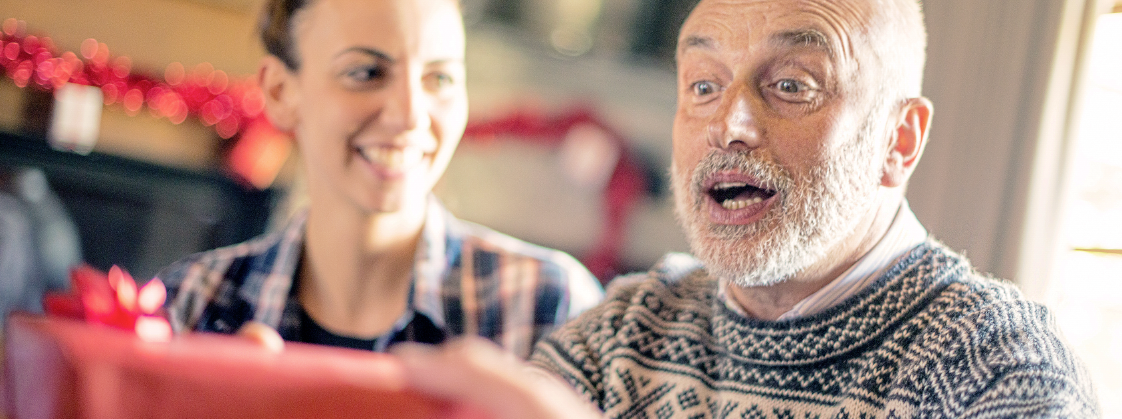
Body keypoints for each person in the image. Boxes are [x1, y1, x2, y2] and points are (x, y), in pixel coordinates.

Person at [389, 0, 1102, 416]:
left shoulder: (999, 369)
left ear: (900, 138)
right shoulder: (624, 333)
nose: (730, 123)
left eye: (791, 85)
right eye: (704, 84)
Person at [157, 0, 603, 359]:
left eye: (440, 77)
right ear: (280, 92)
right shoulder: (192, 304)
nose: (410, 114)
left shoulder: (549, 307)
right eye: (366, 73)